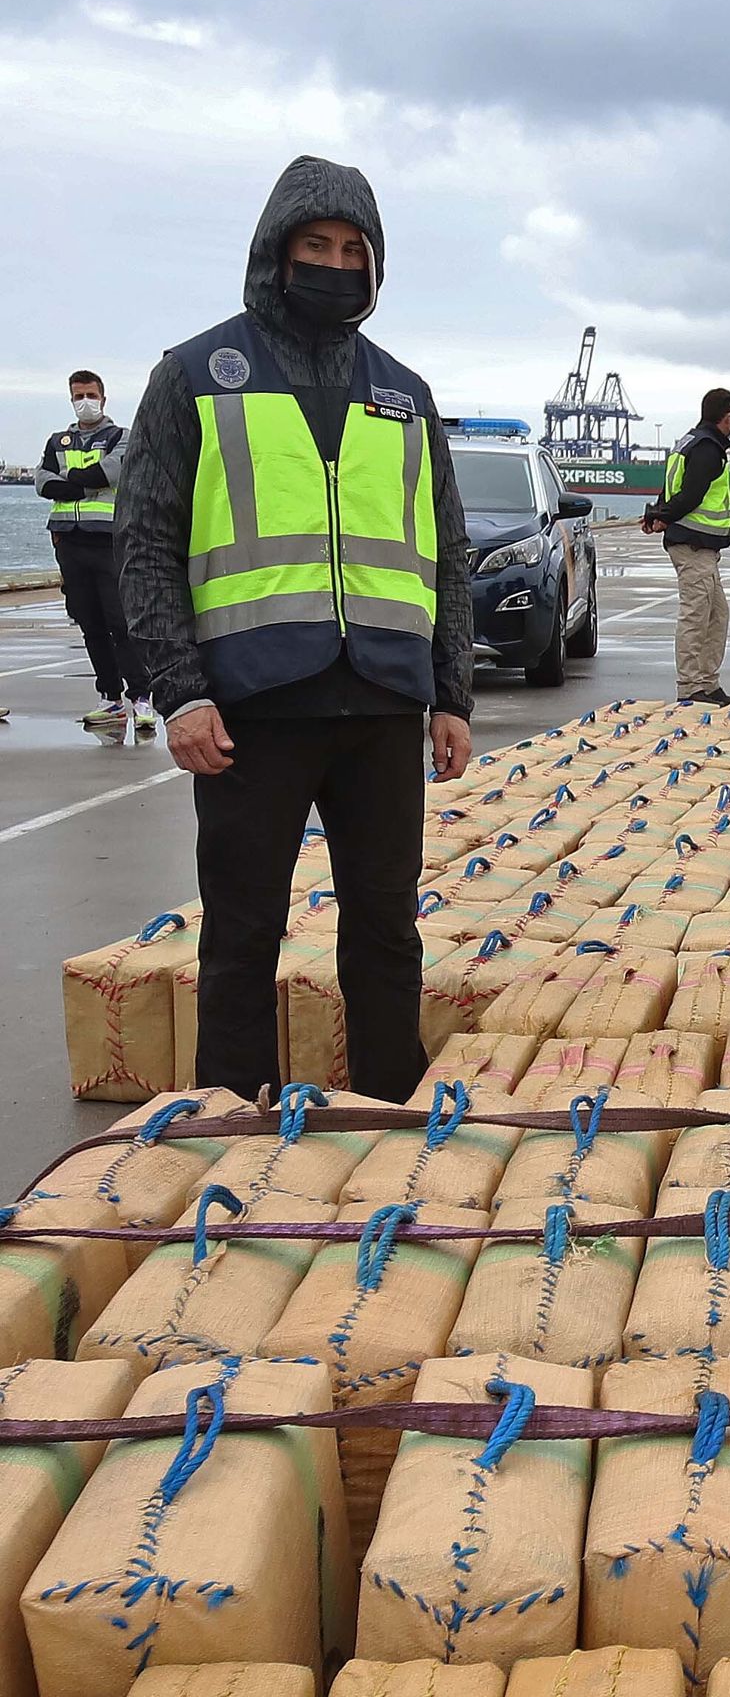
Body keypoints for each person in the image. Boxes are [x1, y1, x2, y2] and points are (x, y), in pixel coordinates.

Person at [117, 155, 474, 1103]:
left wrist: (452, 696)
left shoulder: (404, 393)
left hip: (384, 703)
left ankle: (390, 1111)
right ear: (276, 254)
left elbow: (444, 548)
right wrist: (180, 693)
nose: (335, 263)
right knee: (241, 934)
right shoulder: (195, 375)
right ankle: (228, 1118)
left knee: (388, 933)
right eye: (316, 245)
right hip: (252, 709)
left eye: (354, 249)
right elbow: (145, 543)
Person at [36, 369, 156, 735]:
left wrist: (71, 483)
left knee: (121, 623)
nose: (83, 401)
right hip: (69, 542)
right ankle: (110, 698)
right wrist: (78, 485)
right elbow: (42, 482)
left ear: (103, 398)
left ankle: (141, 696)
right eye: (77, 395)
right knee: (90, 624)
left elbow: (109, 474)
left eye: (89, 394)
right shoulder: (59, 441)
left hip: (108, 541)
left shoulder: (121, 437)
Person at [644, 388, 730, 702]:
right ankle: (691, 686)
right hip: (693, 544)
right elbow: (691, 495)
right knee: (697, 615)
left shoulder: (687, 442)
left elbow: (671, 489)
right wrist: (663, 517)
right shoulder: (707, 449)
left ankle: (707, 682)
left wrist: (658, 514)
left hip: (700, 547)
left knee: (717, 614)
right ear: (727, 417)